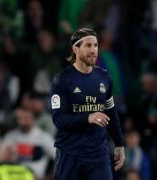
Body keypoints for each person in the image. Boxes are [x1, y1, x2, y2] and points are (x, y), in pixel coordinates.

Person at [50, 27, 125, 179]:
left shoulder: (104, 77)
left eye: (96, 45)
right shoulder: (62, 80)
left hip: (98, 155)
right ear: (75, 49)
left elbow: (110, 111)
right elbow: (59, 119)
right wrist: (87, 118)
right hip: (70, 154)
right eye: (88, 46)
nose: (93, 50)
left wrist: (119, 143)